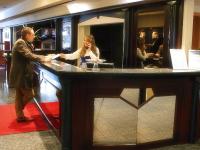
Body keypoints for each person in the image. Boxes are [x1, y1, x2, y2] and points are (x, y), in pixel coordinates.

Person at [9, 27, 49, 122]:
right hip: (20, 75)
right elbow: (28, 55)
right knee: (30, 94)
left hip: (20, 74)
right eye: (32, 35)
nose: (34, 36)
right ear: (27, 35)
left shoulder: (25, 43)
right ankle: (19, 110)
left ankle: (20, 116)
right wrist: (43, 58)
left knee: (19, 95)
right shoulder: (20, 43)